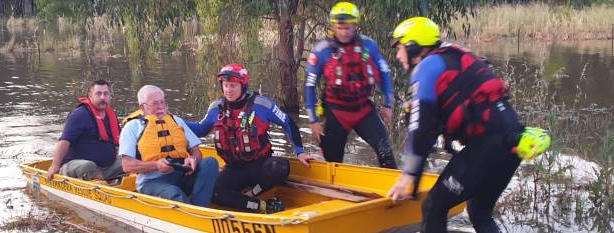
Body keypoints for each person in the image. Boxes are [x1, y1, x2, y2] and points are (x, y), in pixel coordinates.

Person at [386, 17, 548, 233]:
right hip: (513, 142)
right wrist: (414, 181)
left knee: (434, 206)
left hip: (488, 147)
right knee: (480, 213)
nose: (398, 55)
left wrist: (408, 174)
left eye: (399, 48)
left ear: (413, 46)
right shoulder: (454, 53)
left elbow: (421, 129)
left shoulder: (426, 67)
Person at [187, 63, 317, 213]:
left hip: (260, 165)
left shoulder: (262, 104)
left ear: (243, 86)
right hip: (234, 169)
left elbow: (288, 123)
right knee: (216, 193)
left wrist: (299, 151)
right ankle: (262, 206)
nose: (228, 90)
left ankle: (250, 195)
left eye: (233, 86)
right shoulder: (216, 108)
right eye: (226, 85)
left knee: (280, 166)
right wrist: (176, 121)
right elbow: (200, 130)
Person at [304, 2, 397, 168]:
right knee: (332, 163)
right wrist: (313, 120)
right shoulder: (322, 50)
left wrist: (388, 104)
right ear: (333, 26)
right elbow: (310, 85)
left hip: (363, 109)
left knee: (386, 153)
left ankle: (396, 191)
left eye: (348, 28)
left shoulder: (369, 45)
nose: (344, 32)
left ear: (355, 25)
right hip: (336, 112)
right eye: (340, 28)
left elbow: (384, 72)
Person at [119, 85, 218, 207]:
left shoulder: (176, 121)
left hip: (182, 174)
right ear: (142, 107)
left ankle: (200, 209)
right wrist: (156, 165)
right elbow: (127, 165)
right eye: (155, 103)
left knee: (210, 163)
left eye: (162, 102)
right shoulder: (132, 127)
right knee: (174, 193)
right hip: (152, 181)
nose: (160, 107)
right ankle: (192, 214)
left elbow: (196, 151)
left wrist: (193, 159)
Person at [46, 80, 124, 181]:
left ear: (110, 96)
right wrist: (54, 166)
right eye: (98, 94)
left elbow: (119, 142)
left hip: (105, 168)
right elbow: (64, 141)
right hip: (78, 166)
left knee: (130, 160)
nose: (102, 97)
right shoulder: (79, 115)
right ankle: (106, 180)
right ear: (90, 96)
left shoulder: (111, 115)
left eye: (106, 94)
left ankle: (106, 179)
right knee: (88, 166)